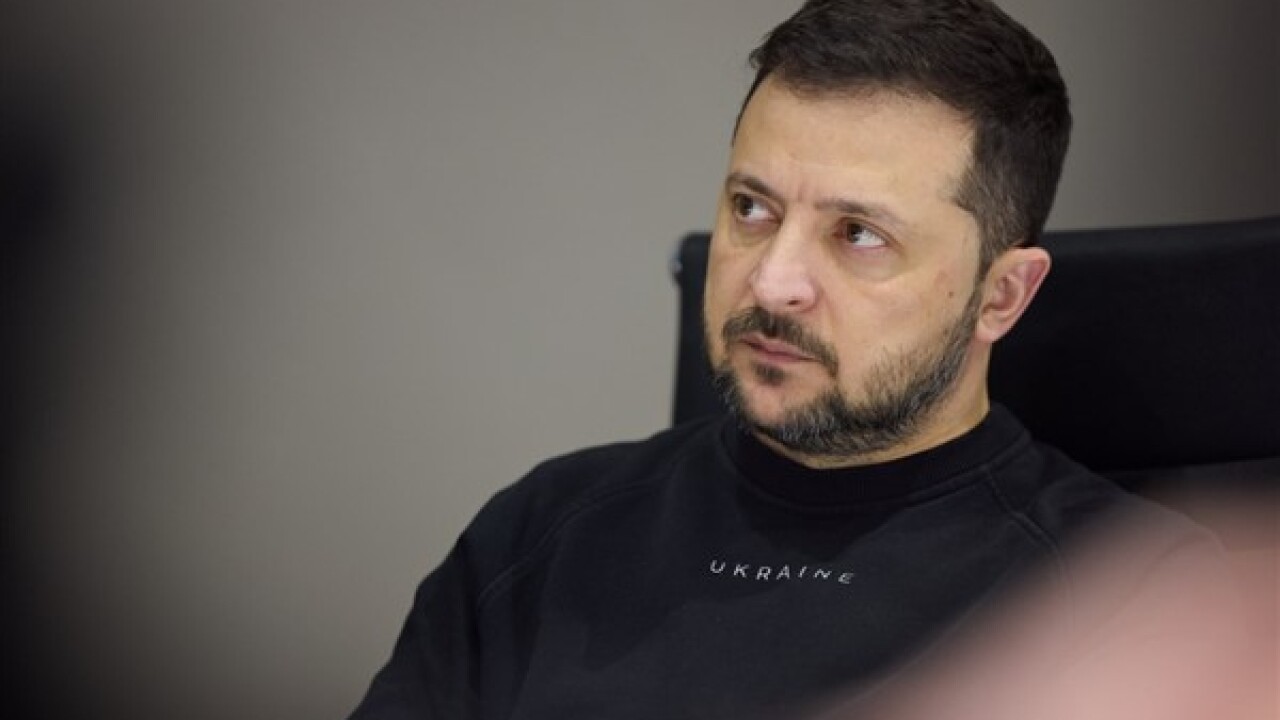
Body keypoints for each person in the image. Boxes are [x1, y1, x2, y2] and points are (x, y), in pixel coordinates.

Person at [348, 1, 1240, 718]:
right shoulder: (542, 536)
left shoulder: (1138, 602)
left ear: (1001, 295)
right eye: (753, 209)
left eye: (858, 235)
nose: (773, 283)